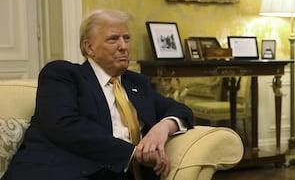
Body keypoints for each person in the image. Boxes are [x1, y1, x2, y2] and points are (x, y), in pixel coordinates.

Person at [1, 9, 194, 180]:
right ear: (89, 48)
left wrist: (163, 127)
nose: (123, 46)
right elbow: (64, 126)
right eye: (113, 39)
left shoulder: (136, 82)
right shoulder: (63, 74)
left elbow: (180, 109)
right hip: (62, 170)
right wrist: (135, 152)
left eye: (126, 38)